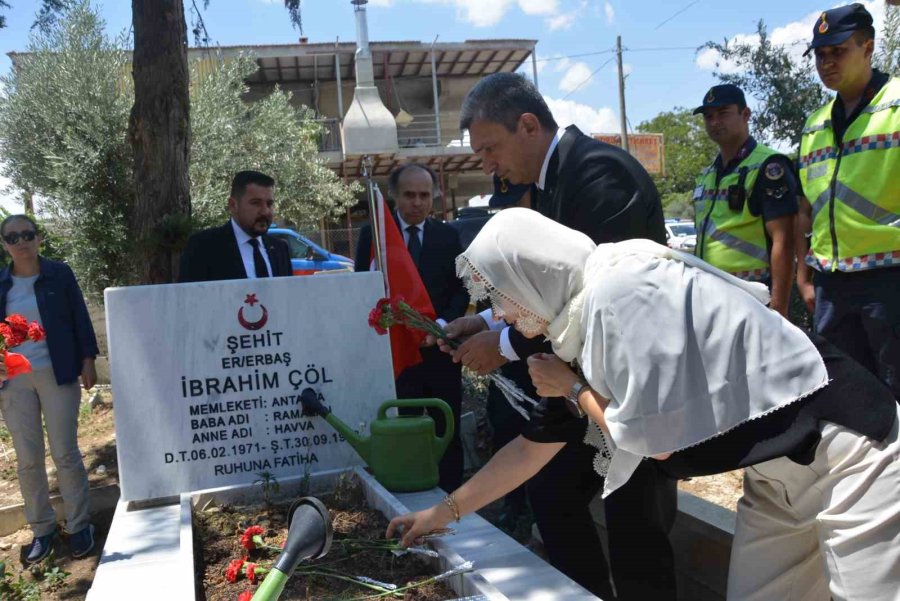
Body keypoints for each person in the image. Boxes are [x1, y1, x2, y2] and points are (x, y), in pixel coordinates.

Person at [389, 208, 900, 601]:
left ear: (533, 274)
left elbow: (656, 443)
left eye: (501, 295)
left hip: (851, 454)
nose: (499, 314)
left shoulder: (622, 293)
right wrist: (440, 513)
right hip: (778, 477)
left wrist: (573, 390)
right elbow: (532, 447)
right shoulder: (576, 325)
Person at [438, 72, 675, 600]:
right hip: (586, 380)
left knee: (636, 528)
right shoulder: (551, 183)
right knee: (553, 493)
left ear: (527, 125)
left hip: (632, 384)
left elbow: (590, 301)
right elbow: (549, 291)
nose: (487, 164)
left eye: (490, 149)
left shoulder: (598, 175)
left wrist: (502, 346)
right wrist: (488, 321)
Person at [796, 3, 899, 400]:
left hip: (889, 277)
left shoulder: (896, 104)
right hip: (832, 284)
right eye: (820, 54)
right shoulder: (814, 125)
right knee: (846, 397)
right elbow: (806, 208)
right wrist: (805, 275)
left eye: (838, 51)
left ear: (868, 48)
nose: (827, 63)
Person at [354, 164, 469, 491]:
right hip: (397, 353)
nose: (417, 203)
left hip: (440, 350)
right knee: (403, 426)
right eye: (409, 195)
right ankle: (408, 492)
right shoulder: (375, 235)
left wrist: (443, 324)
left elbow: (462, 288)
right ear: (394, 195)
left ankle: (453, 497)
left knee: (446, 426)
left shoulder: (448, 236)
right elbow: (362, 288)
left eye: (424, 195)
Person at [0, 214, 99, 564]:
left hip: (58, 373)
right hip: (14, 381)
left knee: (65, 453)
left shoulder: (60, 274)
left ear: (38, 237)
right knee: (28, 459)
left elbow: (79, 316)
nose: (21, 242)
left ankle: (79, 524)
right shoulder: (1, 284)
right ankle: (42, 529)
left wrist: (88, 359)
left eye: (27, 234)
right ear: (5, 245)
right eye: (13, 237)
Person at [692, 84, 797, 317]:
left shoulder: (769, 166)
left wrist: (779, 308)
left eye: (723, 113)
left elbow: (784, 241)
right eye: (708, 116)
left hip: (753, 296)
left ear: (746, 114)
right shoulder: (708, 174)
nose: (715, 122)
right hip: (710, 295)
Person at [178, 170, 292, 283]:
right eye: (256, 203)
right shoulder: (203, 247)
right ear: (233, 205)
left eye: (269, 204)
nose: (265, 211)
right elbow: (190, 293)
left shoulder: (280, 249)